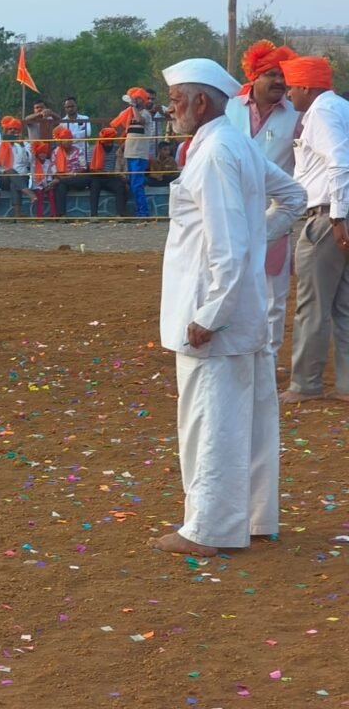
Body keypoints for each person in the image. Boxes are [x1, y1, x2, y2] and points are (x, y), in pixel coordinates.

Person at [151, 58, 305, 557]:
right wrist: (261, 241)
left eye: (176, 100)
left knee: (209, 419)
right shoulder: (230, 142)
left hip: (215, 312)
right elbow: (294, 197)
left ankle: (209, 529)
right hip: (241, 305)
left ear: (201, 102)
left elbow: (227, 243)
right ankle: (255, 519)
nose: (170, 108)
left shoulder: (217, 150)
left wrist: (210, 313)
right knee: (250, 417)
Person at [277, 56, 349, 404]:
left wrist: (337, 217)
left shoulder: (320, 112)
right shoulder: (340, 107)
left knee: (313, 305)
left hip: (326, 218)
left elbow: (339, 160)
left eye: (291, 87)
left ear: (306, 86)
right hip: (338, 215)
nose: (289, 95)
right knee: (344, 306)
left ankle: (305, 384)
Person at [226, 40, 302, 362]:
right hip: (231, 210)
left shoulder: (297, 115)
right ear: (253, 76)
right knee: (230, 284)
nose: (280, 82)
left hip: (275, 214)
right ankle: (236, 351)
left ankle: (267, 358)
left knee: (274, 293)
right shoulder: (228, 107)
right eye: (271, 74)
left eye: (283, 75)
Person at [109, 87, 154, 217]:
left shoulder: (145, 113)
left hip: (139, 153)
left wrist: (133, 107)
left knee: (137, 184)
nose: (136, 100)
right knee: (133, 183)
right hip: (130, 153)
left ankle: (143, 212)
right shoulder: (130, 114)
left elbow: (141, 120)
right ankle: (139, 210)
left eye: (138, 98)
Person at [51, 126, 93, 216]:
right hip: (63, 178)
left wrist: (68, 177)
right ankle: (62, 215)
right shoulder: (55, 152)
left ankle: (61, 181)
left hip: (76, 179)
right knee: (60, 186)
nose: (68, 141)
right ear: (61, 141)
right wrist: (63, 178)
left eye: (70, 139)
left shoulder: (78, 150)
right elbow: (54, 171)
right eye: (65, 139)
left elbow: (83, 168)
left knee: (86, 178)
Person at [0, 117, 32, 218]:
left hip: (22, 177)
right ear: (6, 131)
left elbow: (28, 162)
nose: (12, 131)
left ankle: (17, 214)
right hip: (4, 178)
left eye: (15, 129)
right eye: (10, 129)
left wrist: (22, 145)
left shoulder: (25, 145)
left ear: (19, 131)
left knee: (14, 184)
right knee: (11, 171)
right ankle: (27, 192)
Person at [87, 127, 127, 217]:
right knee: (94, 186)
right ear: (102, 141)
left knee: (120, 186)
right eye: (107, 142)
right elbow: (91, 169)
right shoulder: (93, 149)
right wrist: (104, 172)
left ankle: (120, 214)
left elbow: (120, 161)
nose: (109, 144)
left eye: (111, 142)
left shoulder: (116, 148)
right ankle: (93, 215)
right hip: (98, 176)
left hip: (111, 177)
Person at [60, 96, 93, 162]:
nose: (70, 109)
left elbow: (88, 133)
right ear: (65, 108)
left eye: (72, 106)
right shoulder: (62, 122)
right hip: (69, 154)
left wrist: (70, 136)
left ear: (76, 106)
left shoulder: (85, 118)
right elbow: (63, 139)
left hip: (84, 151)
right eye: (68, 107)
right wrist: (81, 134)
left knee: (85, 171)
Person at [28, 141, 57, 218]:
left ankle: (53, 214)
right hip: (37, 185)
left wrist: (48, 184)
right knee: (39, 196)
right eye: (40, 153)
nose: (42, 155)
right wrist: (43, 185)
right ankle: (39, 216)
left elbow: (49, 175)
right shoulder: (34, 163)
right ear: (37, 154)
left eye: (44, 153)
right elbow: (35, 178)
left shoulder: (48, 162)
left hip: (47, 184)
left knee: (51, 194)